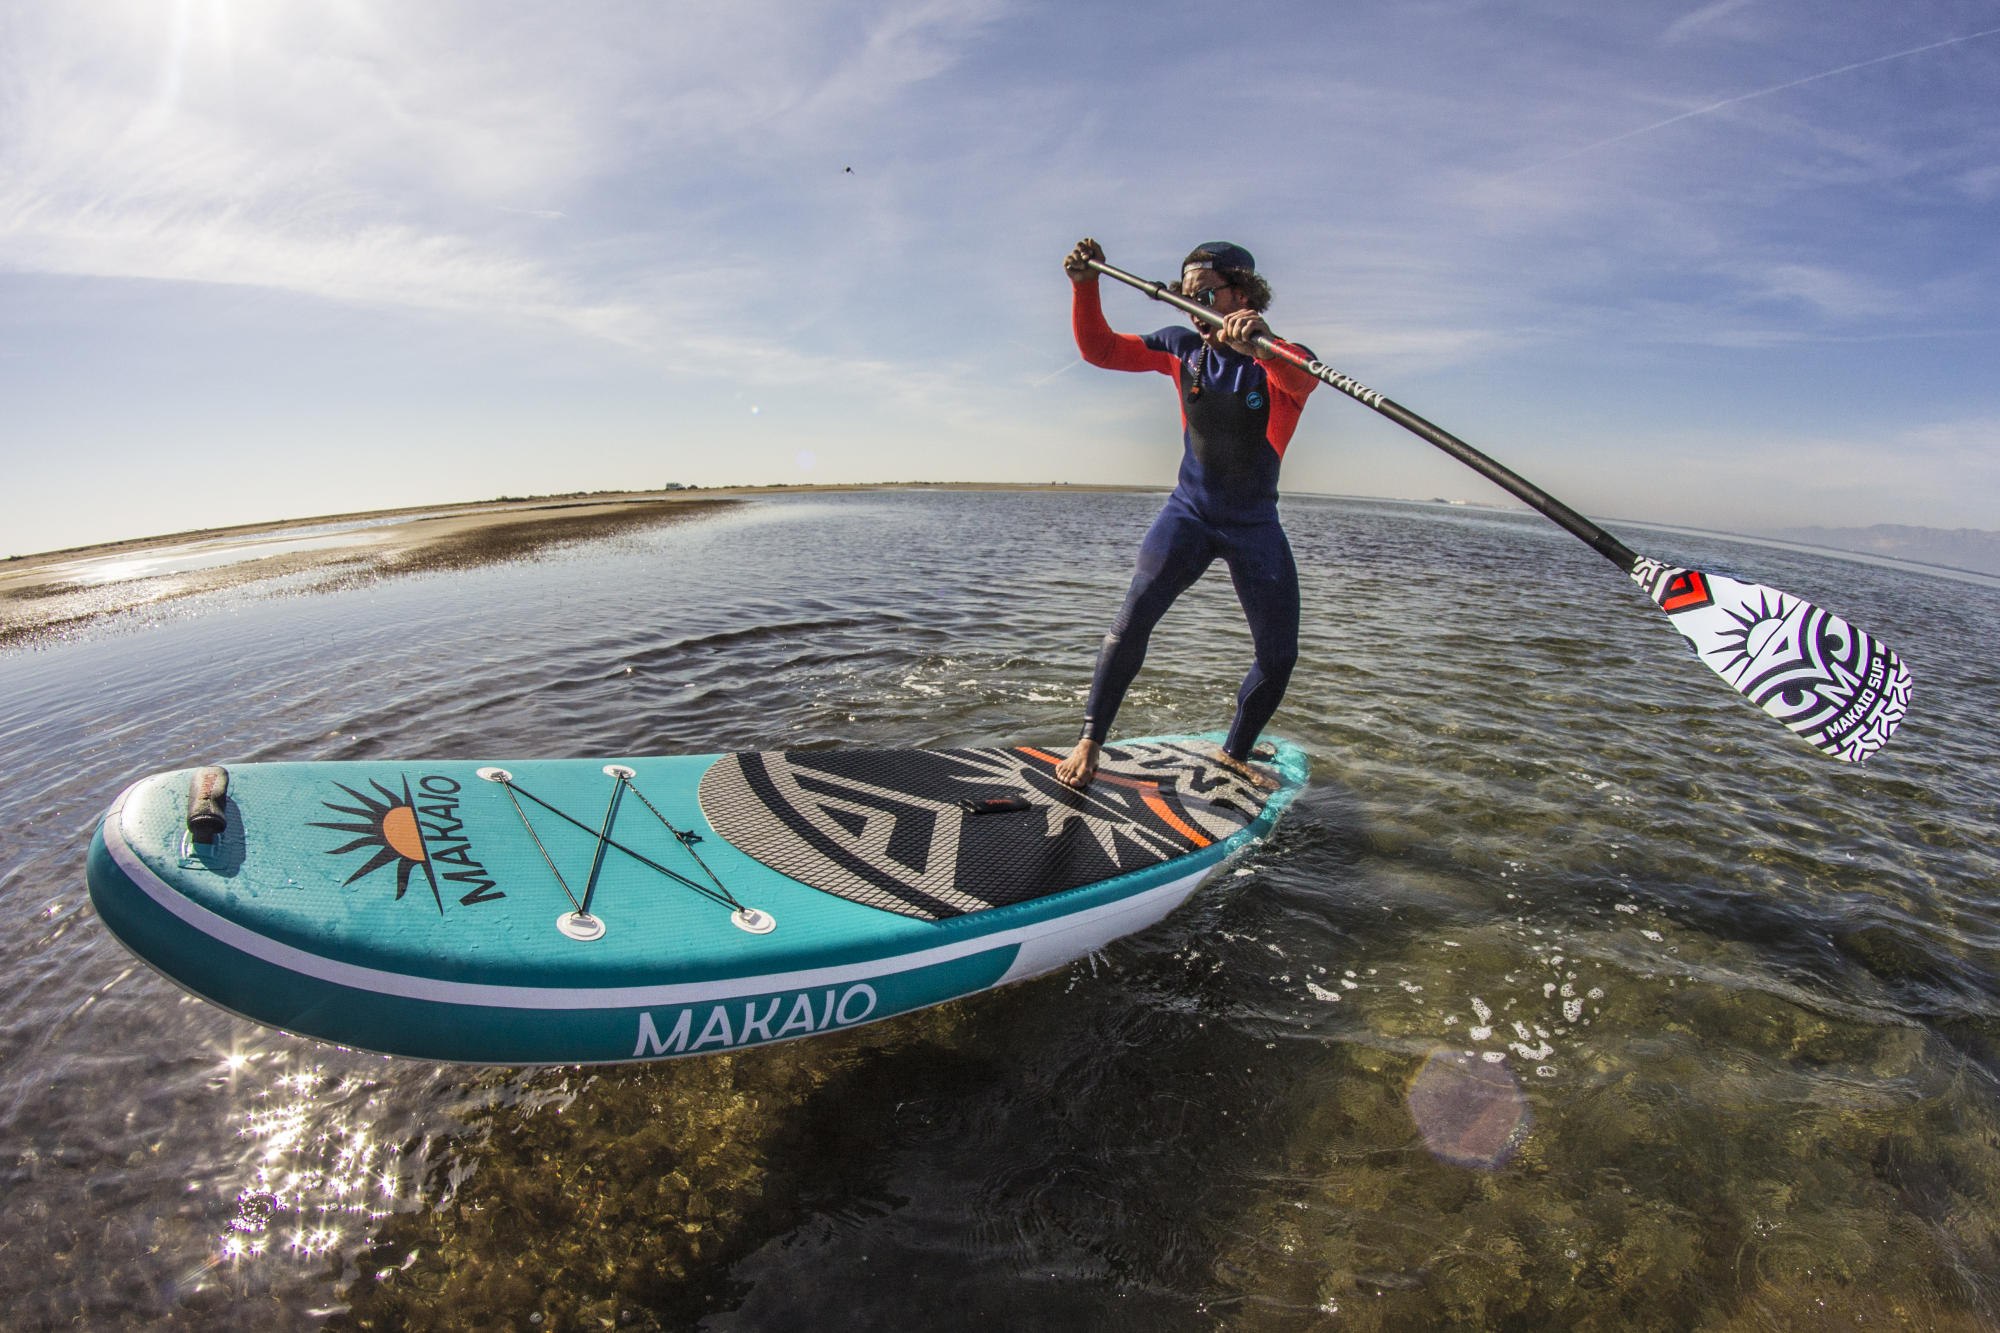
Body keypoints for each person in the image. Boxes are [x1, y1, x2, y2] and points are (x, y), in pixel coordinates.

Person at [1054, 237, 1319, 790]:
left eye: (1205, 295)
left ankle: (1234, 754)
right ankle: (1090, 739)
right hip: (1188, 514)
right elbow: (1100, 350)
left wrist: (1262, 348)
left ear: (1241, 293)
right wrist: (1085, 286)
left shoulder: (1284, 357)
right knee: (1131, 621)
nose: (1191, 306)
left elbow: (1302, 378)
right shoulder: (1181, 348)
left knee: (1280, 654)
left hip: (1254, 526)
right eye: (1186, 296)